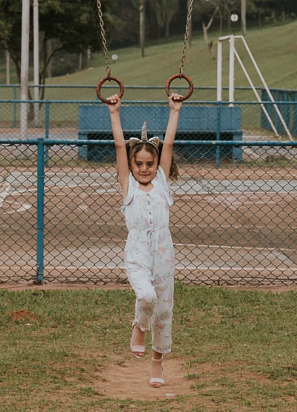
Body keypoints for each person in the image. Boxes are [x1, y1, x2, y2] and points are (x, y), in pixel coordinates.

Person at [106, 92, 183, 388]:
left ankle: (157, 362)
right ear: (131, 164)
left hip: (163, 251)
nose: (144, 168)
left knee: (163, 308)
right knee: (146, 297)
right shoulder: (129, 187)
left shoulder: (161, 183)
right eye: (138, 164)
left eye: (149, 163)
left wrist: (174, 109)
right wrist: (115, 112)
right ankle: (139, 325)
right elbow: (117, 145)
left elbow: (170, 144)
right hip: (137, 249)